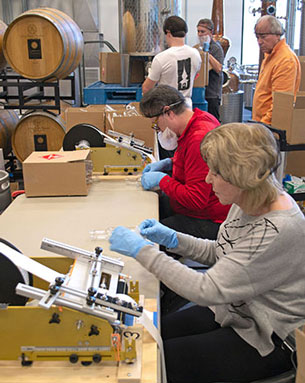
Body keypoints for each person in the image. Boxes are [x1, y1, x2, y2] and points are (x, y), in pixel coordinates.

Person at [109, 122, 305, 383]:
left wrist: (143, 251)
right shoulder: (248, 199)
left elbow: (205, 288)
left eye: (215, 172)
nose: (207, 178)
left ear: (240, 176)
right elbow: (224, 252)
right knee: (147, 335)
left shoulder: (277, 229)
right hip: (236, 312)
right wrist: (174, 239)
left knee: (153, 362)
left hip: (268, 337)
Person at [140, 84, 230, 240]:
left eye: (156, 124)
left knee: (149, 235)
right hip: (203, 209)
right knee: (155, 205)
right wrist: (170, 162)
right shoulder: (200, 118)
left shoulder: (198, 139)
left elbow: (196, 200)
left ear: (168, 112)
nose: (159, 130)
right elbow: (195, 163)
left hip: (210, 220)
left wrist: (162, 181)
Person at [142, 16, 201, 110]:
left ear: (168, 33)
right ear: (185, 33)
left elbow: (146, 88)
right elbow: (196, 75)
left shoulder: (161, 58)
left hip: (167, 111)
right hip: (187, 109)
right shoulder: (195, 54)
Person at [252, 15, 301, 125]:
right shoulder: (270, 55)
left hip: (270, 128)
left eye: (263, 37)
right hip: (260, 123)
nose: (259, 42)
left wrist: (263, 126)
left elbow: (280, 104)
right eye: (257, 37)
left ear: (277, 35)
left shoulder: (285, 60)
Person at [194, 18, 224, 121]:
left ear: (210, 32)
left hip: (212, 93)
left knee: (212, 121)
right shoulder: (196, 48)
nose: (200, 34)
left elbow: (219, 68)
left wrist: (206, 53)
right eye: (198, 31)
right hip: (199, 92)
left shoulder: (216, 48)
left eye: (203, 32)